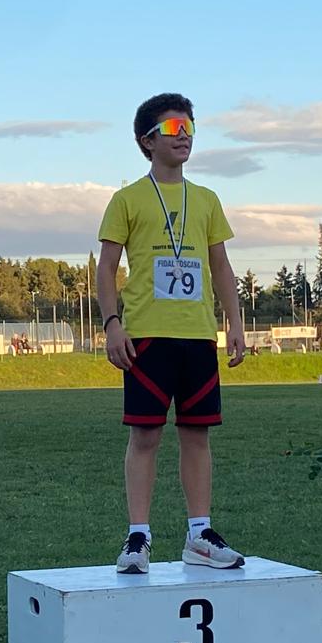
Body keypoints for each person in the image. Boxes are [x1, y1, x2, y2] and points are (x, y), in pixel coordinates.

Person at [97, 93, 247, 575]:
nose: (184, 136)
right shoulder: (127, 200)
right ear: (147, 141)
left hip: (197, 336)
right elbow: (106, 267)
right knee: (145, 435)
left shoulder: (206, 200)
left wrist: (235, 322)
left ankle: (200, 533)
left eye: (189, 128)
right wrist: (112, 323)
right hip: (146, 336)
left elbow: (221, 266)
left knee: (197, 434)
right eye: (172, 128)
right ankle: (138, 536)